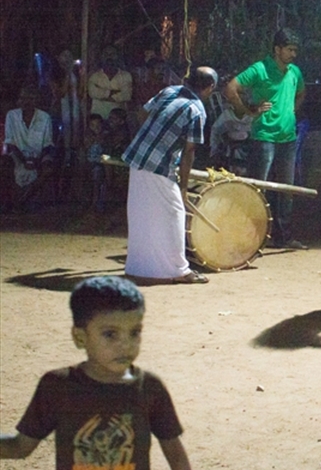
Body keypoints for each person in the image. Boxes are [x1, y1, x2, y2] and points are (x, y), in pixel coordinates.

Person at [0, 276, 205, 470]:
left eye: (135, 332)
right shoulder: (57, 387)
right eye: (110, 334)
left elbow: (173, 450)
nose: (126, 345)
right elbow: (21, 446)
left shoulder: (149, 389)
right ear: (80, 337)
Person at [122, 67, 217, 285]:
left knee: (141, 214)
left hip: (138, 156)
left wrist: (151, 136)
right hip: (159, 164)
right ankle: (179, 270)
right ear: (210, 87)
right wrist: (183, 188)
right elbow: (189, 151)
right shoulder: (196, 109)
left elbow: (142, 113)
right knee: (175, 211)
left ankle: (137, 268)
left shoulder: (170, 91)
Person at [224, 28, 307, 250]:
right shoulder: (260, 69)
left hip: (287, 137)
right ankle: (253, 236)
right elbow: (231, 88)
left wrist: (290, 113)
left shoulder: (294, 72)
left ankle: (283, 236)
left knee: (285, 189)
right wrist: (249, 111)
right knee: (258, 188)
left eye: (295, 50)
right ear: (277, 49)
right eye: (289, 50)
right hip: (263, 136)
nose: (293, 54)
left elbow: (301, 94)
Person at [3, 85, 55, 210]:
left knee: (48, 169)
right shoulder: (11, 115)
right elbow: (10, 143)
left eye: (30, 98)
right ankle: (13, 199)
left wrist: (36, 161)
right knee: (3, 164)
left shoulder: (45, 117)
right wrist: (24, 160)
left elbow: (47, 145)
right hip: (17, 155)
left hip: (39, 155)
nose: (26, 101)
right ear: (19, 100)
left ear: (36, 100)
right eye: (23, 98)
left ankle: (23, 198)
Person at [87, 46, 133, 121]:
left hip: (118, 120)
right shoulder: (94, 77)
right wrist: (114, 93)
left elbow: (126, 95)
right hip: (98, 120)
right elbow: (92, 93)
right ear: (101, 57)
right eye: (106, 54)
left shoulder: (126, 76)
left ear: (117, 56)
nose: (109, 57)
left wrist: (102, 95)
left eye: (112, 54)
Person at [84, 113, 107, 213]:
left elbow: (105, 146)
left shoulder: (105, 135)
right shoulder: (87, 136)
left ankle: (96, 202)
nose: (95, 128)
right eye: (92, 126)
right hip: (88, 163)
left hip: (102, 164)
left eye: (98, 126)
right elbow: (86, 146)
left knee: (98, 175)